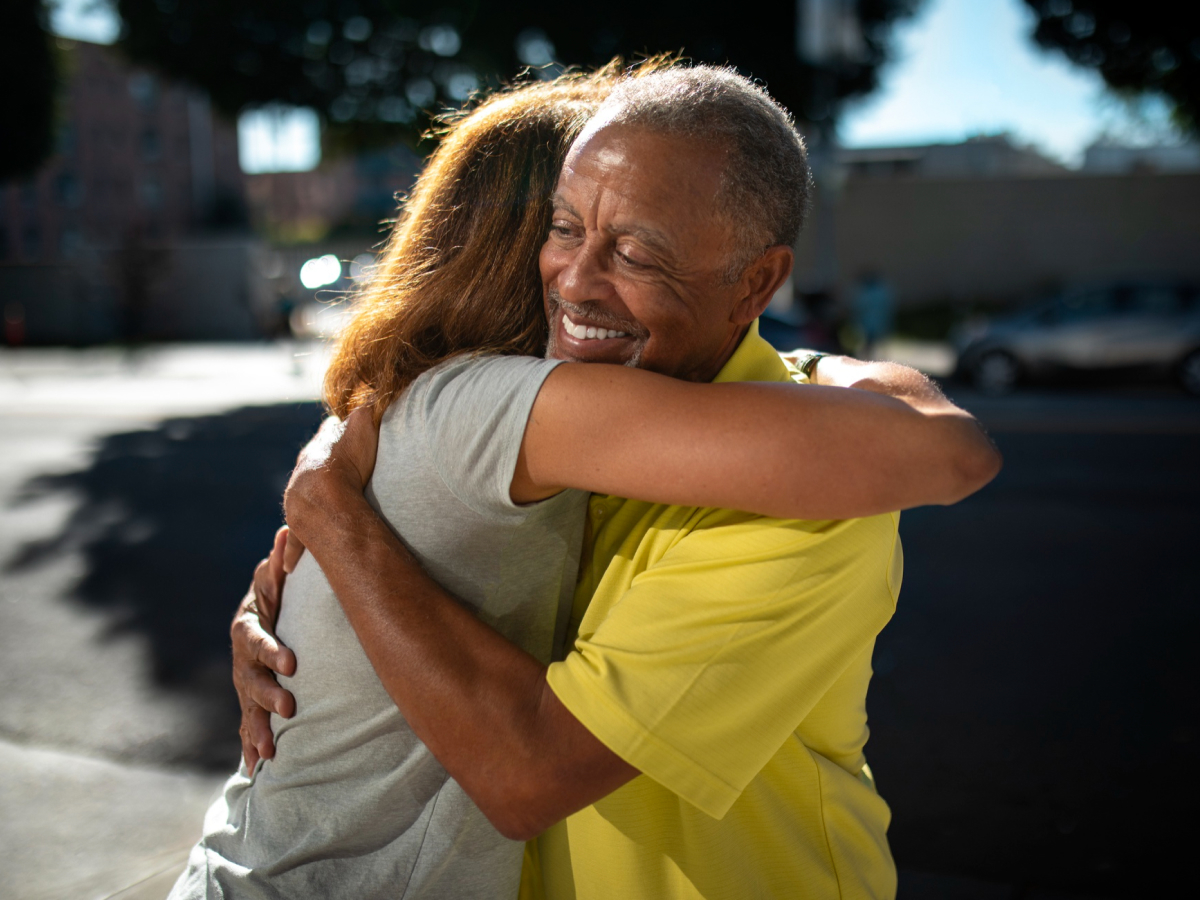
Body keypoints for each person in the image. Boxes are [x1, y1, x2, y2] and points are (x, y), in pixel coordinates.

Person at [232, 64, 1002, 900]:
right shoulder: (538, 411)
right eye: (564, 228)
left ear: (755, 283)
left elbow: (527, 772)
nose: (573, 279)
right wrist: (292, 609)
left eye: (634, 251)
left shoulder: (815, 494)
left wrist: (337, 524)